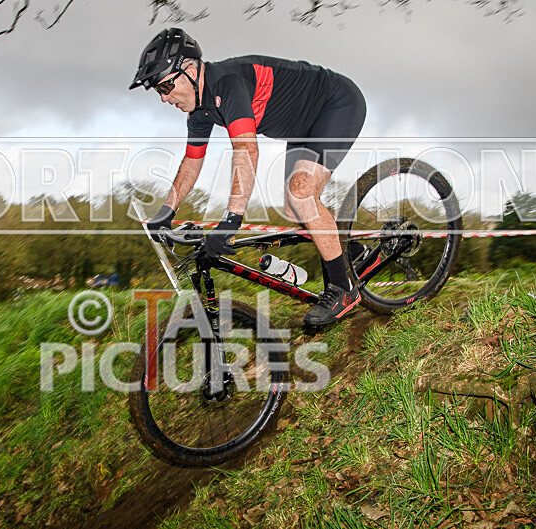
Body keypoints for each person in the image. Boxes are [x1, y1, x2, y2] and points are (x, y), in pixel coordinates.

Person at [130, 28, 367, 326]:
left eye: (165, 87)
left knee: (301, 194)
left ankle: (343, 290)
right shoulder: (200, 111)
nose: (165, 99)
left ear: (189, 71)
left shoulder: (228, 83)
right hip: (303, 128)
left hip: (336, 103)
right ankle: (352, 254)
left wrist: (232, 219)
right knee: (294, 208)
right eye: (158, 92)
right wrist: (167, 210)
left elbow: (246, 150)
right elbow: (192, 161)